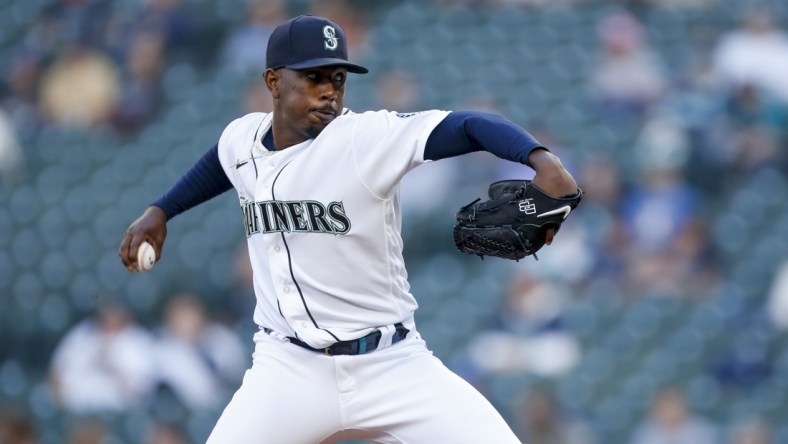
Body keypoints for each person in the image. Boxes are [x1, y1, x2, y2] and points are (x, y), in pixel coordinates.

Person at [118, 14, 578, 443]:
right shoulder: (243, 138)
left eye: (337, 79)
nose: (329, 91)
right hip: (288, 369)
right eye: (313, 77)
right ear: (273, 82)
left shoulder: (364, 139)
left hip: (392, 364)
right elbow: (222, 161)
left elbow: (469, 125)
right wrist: (161, 211)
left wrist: (542, 160)